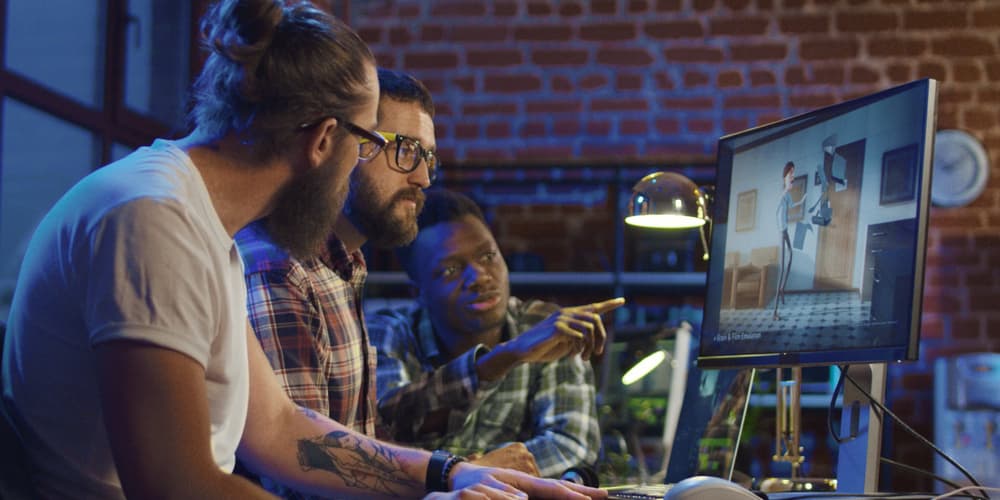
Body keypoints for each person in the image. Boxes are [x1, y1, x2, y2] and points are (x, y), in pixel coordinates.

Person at [0, 1, 605, 498]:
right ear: (322, 140)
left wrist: (450, 473)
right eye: (367, 142)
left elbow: (281, 429)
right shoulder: (152, 219)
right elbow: (178, 487)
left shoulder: (197, 223)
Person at [367, 188, 625, 478]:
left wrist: (473, 471)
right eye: (451, 269)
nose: (479, 277)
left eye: (488, 256)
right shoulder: (387, 332)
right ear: (419, 291)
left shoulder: (543, 326)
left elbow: (571, 444)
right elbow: (383, 432)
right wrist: (505, 357)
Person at [774, 161, 805, 321]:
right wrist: (785, 189)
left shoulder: (787, 195)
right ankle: (775, 312)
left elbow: (793, 204)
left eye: (793, 173)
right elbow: (776, 209)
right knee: (784, 261)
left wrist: (803, 199)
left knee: (791, 255)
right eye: (791, 173)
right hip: (781, 230)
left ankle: (782, 288)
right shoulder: (782, 193)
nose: (793, 176)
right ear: (785, 176)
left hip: (785, 230)